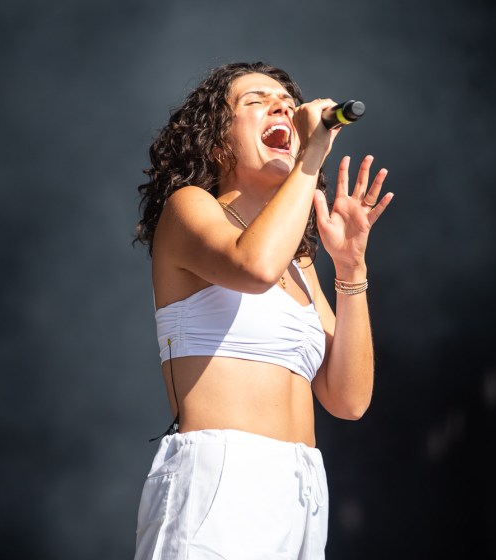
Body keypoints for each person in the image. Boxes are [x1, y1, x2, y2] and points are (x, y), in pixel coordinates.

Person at [132, 61, 393, 560]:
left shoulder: (298, 261)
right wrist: (310, 162)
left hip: (301, 489)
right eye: (254, 101)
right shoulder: (189, 208)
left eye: (287, 104)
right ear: (216, 142)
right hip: (223, 480)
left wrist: (351, 269)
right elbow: (252, 267)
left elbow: (348, 399)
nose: (282, 108)